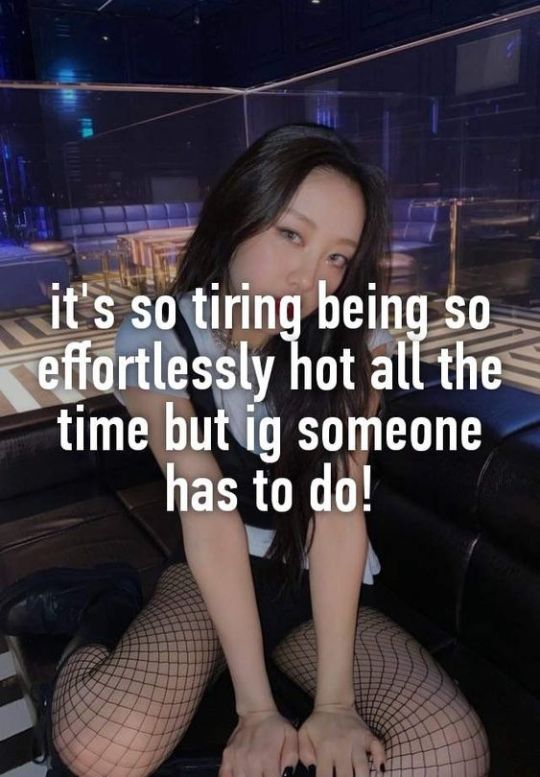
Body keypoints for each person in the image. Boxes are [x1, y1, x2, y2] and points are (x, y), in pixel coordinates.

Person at [0, 123, 489, 777]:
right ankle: (107, 600)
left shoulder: (355, 346)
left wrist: (336, 703)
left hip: (320, 583)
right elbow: (207, 512)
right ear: (237, 214)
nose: (311, 278)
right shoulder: (160, 339)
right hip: (215, 574)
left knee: (451, 753)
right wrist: (255, 709)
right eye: (292, 234)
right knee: (102, 743)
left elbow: (338, 511)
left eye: (337, 257)